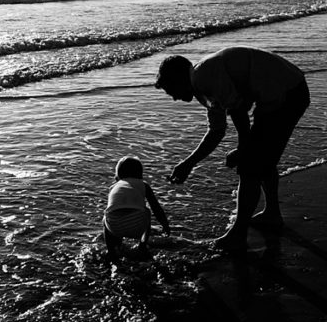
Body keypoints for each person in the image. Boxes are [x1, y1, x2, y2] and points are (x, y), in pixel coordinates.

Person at [155, 46, 310, 252]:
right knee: (262, 157)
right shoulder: (203, 88)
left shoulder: (203, 76)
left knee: (250, 165)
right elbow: (216, 131)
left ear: (177, 79)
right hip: (283, 92)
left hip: (287, 93)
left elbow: (237, 110)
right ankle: (272, 214)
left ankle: (238, 234)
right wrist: (188, 164)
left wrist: (243, 148)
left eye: (170, 90)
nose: (173, 98)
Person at [103, 156, 170, 260]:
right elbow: (156, 208)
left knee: (107, 215)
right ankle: (142, 245)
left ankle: (111, 250)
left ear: (117, 176)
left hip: (114, 226)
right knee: (146, 210)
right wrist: (165, 225)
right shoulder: (143, 185)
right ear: (140, 175)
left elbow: (114, 207)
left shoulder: (113, 187)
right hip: (136, 226)